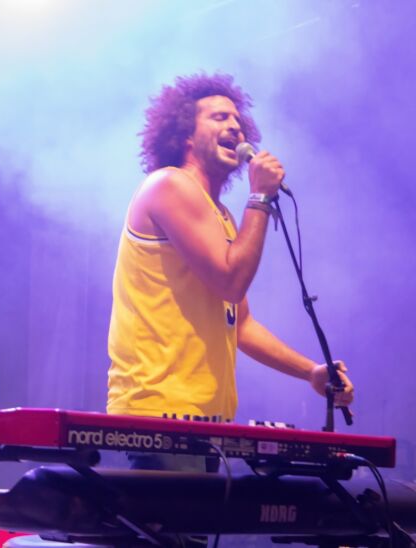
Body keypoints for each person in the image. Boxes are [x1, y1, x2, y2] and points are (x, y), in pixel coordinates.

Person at [106, 73, 353, 466]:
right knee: (173, 529)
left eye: (237, 121)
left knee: (192, 529)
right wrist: (259, 197)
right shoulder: (168, 185)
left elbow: (241, 323)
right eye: (219, 118)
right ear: (185, 133)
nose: (235, 127)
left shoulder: (219, 216)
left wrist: (311, 372)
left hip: (203, 423)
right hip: (159, 416)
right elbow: (231, 278)